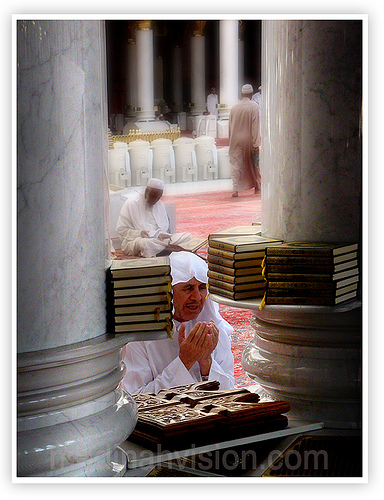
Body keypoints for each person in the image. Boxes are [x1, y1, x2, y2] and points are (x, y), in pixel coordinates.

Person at [121, 251, 235, 394]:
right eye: (188, 288)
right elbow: (137, 398)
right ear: (169, 292)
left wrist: (206, 363)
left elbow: (229, 392)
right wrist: (185, 361)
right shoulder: (139, 335)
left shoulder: (213, 327)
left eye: (201, 288)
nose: (197, 297)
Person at [116, 178, 192, 258]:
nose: (155, 200)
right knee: (146, 244)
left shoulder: (159, 204)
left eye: (158, 198)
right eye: (153, 196)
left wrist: (162, 234)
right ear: (146, 191)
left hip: (158, 240)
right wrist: (139, 233)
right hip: (136, 240)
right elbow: (122, 230)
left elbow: (163, 227)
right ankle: (173, 250)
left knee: (187, 237)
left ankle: (166, 250)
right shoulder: (131, 204)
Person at [228, 83, 261, 197]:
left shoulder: (234, 107)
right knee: (254, 164)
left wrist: (230, 142)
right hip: (248, 139)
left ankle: (235, 189)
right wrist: (256, 144)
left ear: (242, 94)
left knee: (236, 164)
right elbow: (255, 126)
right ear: (251, 94)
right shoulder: (254, 106)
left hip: (235, 139)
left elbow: (230, 126)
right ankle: (257, 187)